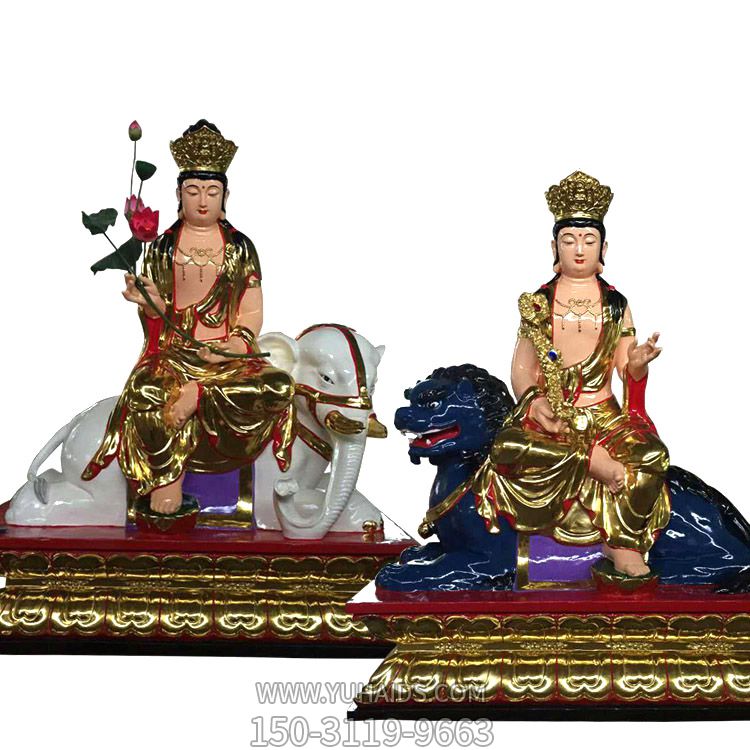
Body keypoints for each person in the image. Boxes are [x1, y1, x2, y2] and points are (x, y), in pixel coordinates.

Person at [82, 120, 295, 515]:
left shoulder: (240, 248)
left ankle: (200, 395)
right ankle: (167, 479)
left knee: (279, 385)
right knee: (145, 392)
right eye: (193, 191)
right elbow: (158, 316)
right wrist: (152, 306)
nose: (202, 201)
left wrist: (235, 344)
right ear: (178, 194)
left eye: (212, 192)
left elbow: (251, 310)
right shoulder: (162, 247)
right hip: (174, 355)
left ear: (226, 196)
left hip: (228, 359)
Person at [474, 171, 670, 578]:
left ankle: (622, 543)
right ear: (554, 246)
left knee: (653, 456)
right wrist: (536, 403)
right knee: (507, 447)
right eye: (569, 240)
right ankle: (594, 463)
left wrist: (636, 362)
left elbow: (623, 365)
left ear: (603, 248)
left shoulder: (615, 304)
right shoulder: (539, 303)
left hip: (605, 414)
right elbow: (522, 370)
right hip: (554, 416)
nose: (579, 250)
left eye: (588, 240)